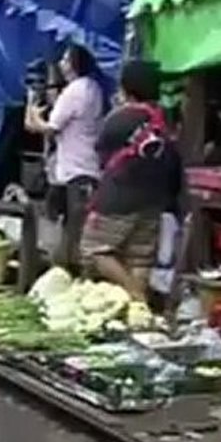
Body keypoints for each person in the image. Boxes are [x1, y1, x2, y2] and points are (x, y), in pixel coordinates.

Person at [79, 59, 183, 302]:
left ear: (126, 87)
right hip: (153, 200)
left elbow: (102, 153)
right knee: (139, 258)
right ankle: (139, 313)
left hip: (118, 200)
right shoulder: (164, 119)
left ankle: (134, 294)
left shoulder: (120, 118)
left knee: (94, 250)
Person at [25, 44, 105, 270]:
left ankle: (68, 269)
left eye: (64, 59)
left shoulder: (74, 91)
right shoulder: (94, 88)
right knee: (74, 224)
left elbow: (50, 127)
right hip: (86, 166)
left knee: (71, 226)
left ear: (72, 64)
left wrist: (32, 107)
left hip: (74, 169)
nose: (61, 63)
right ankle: (68, 267)